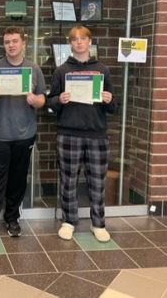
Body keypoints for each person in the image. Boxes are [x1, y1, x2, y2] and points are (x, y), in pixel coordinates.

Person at [0, 26, 46, 248]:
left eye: (15, 41)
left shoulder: (34, 69)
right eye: (7, 42)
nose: (11, 45)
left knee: (17, 181)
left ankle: (12, 218)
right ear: (3, 44)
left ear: (23, 43)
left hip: (24, 135)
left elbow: (43, 99)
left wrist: (36, 101)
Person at [46, 25, 118, 243]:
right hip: (69, 134)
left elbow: (114, 106)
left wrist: (108, 99)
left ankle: (98, 224)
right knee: (68, 180)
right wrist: (59, 100)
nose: (78, 42)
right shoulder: (61, 71)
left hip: (97, 134)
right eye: (74, 39)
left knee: (97, 181)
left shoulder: (102, 70)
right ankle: (68, 222)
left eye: (83, 38)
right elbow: (50, 103)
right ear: (70, 43)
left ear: (90, 41)